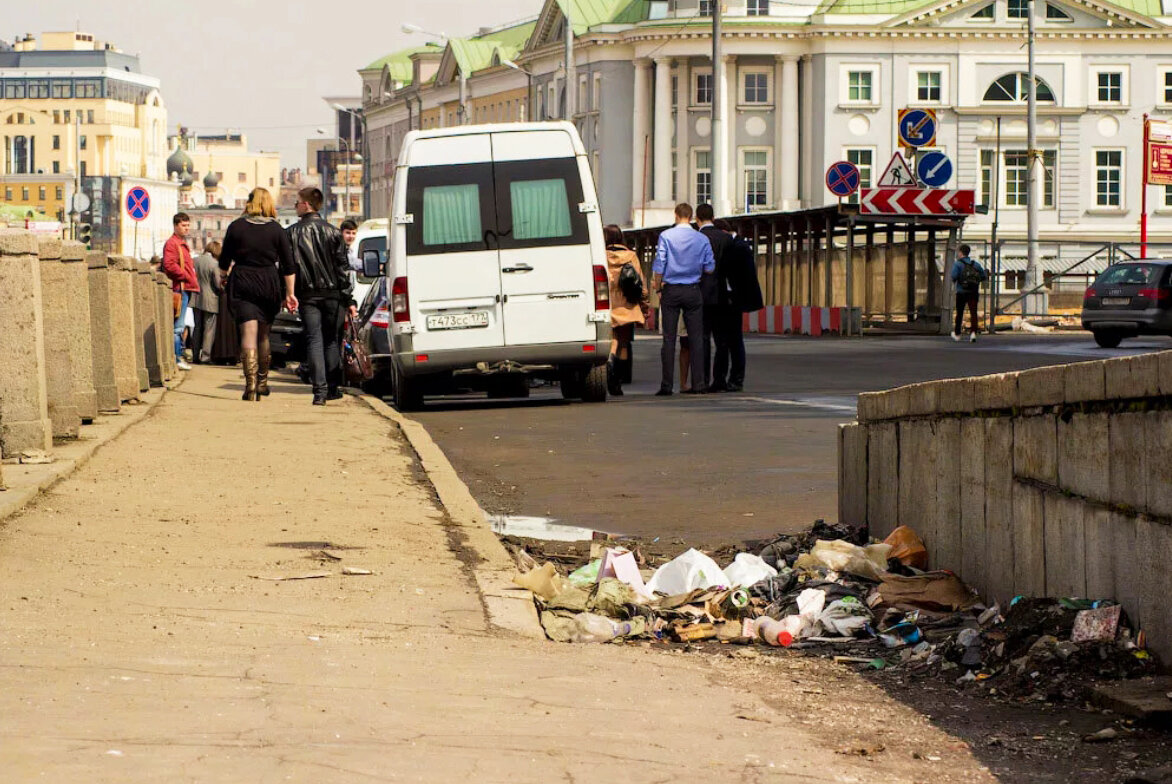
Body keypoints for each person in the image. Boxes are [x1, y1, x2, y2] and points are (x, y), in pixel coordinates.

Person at [218, 188, 297, 401]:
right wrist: (290, 293)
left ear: (249, 203)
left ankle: (250, 384)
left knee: (248, 334)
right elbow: (289, 265)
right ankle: (262, 381)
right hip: (269, 282)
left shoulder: (236, 227)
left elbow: (224, 259)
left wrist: (223, 276)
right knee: (264, 334)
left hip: (242, 280)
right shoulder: (276, 229)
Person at [287, 187, 356, 405]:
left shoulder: (292, 233)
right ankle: (333, 388)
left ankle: (319, 392)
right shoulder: (334, 232)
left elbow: (288, 267)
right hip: (333, 295)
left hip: (307, 294)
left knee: (313, 340)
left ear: (306, 204)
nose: (295, 206)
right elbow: (343, 269)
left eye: (297, 202)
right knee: (331, 341)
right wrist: (348, 299)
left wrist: (289, 293)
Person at [652, 203, 714, 396]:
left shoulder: (666, 236)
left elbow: (660, 263)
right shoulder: (701, 238)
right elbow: (709, 267)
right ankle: (699, 384)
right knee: (696, 339)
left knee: (669, 339)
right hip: (693, 290)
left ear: (676, 215)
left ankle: (666, 385)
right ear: (691, 216)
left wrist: (658, 286)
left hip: (670, 290)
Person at [712, 219, 764, 392]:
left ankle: (736, 379)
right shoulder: (732, 245)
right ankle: (722, 379)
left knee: (733, 341)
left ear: (724, 233)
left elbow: (740, 276)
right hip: (725, 299)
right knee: (723, 341)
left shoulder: (739, 247)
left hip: (734, 300)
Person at [603, 225, 648, 396]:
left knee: (612, 341)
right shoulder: (631, 256)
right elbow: (640, 284)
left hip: (607, 304)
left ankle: (609, 365)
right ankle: (618, 381)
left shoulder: (601, 256)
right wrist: (644, 306)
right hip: (627, 305)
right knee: (623, 343)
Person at [696, 204, 732, 392]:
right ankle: (720, 379)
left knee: (702, 338)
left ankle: (701, 380)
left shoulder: (696, 239)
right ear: (713, 216)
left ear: (697, 218)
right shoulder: (727, 238)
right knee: (721, 340)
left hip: (701, 294)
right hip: (723, 295)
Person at [162, 212, 199, 371]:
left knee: (180, 325)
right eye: (183, 225)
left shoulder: (181, 243)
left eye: (188, 225)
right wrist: (184, 275)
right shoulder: (173, 244)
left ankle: (178, 356)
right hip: (180, 288)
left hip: (185, 287)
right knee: (178, 326)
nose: (186, 228)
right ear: (176, 226)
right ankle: (176, 357)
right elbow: (169, 265)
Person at [190, 240, 223, 364]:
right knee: (209, 329)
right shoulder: (215, 264)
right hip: (210, 299)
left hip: (196, 297)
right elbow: (218, 284)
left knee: (197, 327)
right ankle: (206, 356)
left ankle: (194, 355)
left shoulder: (195, 260)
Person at [950, 244, 988, 343]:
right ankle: (973, 333)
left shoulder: (957, 264)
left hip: (961, 292)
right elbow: (983, 276)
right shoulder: (975, 264)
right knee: (973, 313)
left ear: (961, 252)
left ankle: (957, 334)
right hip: (973, 292)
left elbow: (953, 276)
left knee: (960, 313)